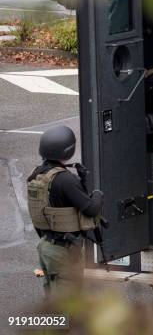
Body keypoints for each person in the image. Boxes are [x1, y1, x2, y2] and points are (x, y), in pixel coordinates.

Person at [27, 125, 102, 296]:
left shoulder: (37, 174)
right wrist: (98, 195)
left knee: (52, 297)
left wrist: (81, 181)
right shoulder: (66, 179)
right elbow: (90, 209)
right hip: (64, 250)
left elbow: (60, 200)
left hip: (46, 245)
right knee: (67, 302)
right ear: (68, 150)